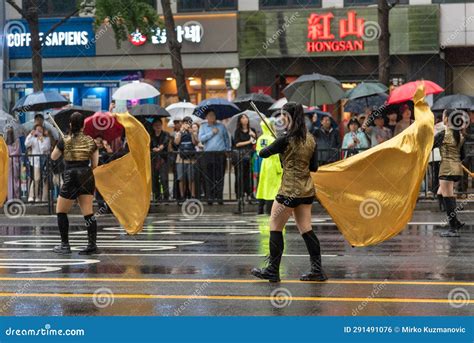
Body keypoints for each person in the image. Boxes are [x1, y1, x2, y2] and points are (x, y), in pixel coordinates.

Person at [251, 102, 327, 283]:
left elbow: (262, 153)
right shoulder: (311, 139)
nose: (281, 118)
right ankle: (317, 270)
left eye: (284, 115)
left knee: (275, 227)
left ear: (289, 117)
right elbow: (314, 167)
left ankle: (273, 270)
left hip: (288, 191)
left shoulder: (285, 139)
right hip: (306, 190)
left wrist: (277, 144)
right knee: (306, 229)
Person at [50, 112, 99, 254]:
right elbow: (95, 164)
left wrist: (62, 142)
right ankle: (92, 245)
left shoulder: (65, 140)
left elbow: (53, 157)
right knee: (88, 212)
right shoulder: (91, 141)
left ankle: (65, 245)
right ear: (83, 125)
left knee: (61, 211)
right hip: (86, 176)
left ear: (70, 125)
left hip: (71, 176)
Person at [433, 109, 466, 238]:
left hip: (446, 169)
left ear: (446, 119)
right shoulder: (460, 135)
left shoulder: (443, 134)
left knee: (448, 197)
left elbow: (429, 146)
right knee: (440, 193)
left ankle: (453, 228)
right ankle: (456, 222)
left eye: (443, 116)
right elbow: (462, 155)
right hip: (457, 169)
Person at [198, 109, 230, 205]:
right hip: (208, 154)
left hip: (220, 154)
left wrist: (227, 150)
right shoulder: (203, 127)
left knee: (220, 176)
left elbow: (226, 139)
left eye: (213, 115)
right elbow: (201, 139)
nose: (212, 117)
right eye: (210, 115)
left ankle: (219, 197)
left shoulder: (222, 126)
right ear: (206, 117)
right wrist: (212, 132)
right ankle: (210, 198)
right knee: (209, 177)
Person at [255, 119, 282, 215]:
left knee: (263, 186)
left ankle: (260, 209)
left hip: (264, 164)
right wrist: (280, 169)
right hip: (273, 166)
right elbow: (277, 155)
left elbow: (258, 152)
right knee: (272, 188)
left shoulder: (260, 139)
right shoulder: (272, 139)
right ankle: (270, 210)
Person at [232, 113, 257, 203]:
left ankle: (250, 194)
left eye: (246, 117)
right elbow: (237, 143)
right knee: (239, 175)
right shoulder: (237, 131)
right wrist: (248, 141)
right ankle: (239, 194)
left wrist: (253, 135)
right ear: (240, 120)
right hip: (239, 156)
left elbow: (254, 142)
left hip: (249, 155)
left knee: (249, 176)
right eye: (243, 118)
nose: (245, 119)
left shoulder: (252, 130)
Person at [175, 116, 199, 201]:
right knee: (181, 179)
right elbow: (176, 142)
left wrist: (192, 133)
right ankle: (182, 196)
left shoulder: (193, 132)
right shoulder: (179, 132)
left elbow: (195, 143)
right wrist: (181, 132)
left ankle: (192, 196)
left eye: (189, 122)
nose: (187, 124)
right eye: (185, 122)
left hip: (191, 159)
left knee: (191, 179)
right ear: (182, 123)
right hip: (180, 159)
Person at [25, 124, 51, 202]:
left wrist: (41, 139)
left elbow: (44, 148)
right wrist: (30, 134)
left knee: (44, 179)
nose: (39, 131)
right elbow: (26, 144)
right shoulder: (33, 138)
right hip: (35, 162)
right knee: (36, 179)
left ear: (43, 131)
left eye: (40, 130)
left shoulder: (47, 139)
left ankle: (43, 198)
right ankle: (34, 196)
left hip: (44, 161)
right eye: (37, 130)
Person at [150, 118, 170, 201]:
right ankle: (157, 196)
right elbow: (149, 145)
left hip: (163, 159)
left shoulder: (166, 134)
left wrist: (160, 148)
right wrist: (153, 149)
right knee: (154, 179)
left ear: (162, 125)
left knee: (163, 178)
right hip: (154, 159)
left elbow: (165, 142)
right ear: (153, 127)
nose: (158, 126)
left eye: (159, 125)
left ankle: (166, 197)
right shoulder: (151, 135)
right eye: (156, 125)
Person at [5, 126, 21, 200]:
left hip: (15, 163)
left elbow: (18, 151)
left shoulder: (17, 140)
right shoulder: (5, 141)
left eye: (10, 130)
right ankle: (9, 197)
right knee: (8, 180)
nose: (9, 132)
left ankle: (16, 196)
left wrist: (10, 155)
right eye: (8, 131)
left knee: (15, 179)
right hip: (8, 164)